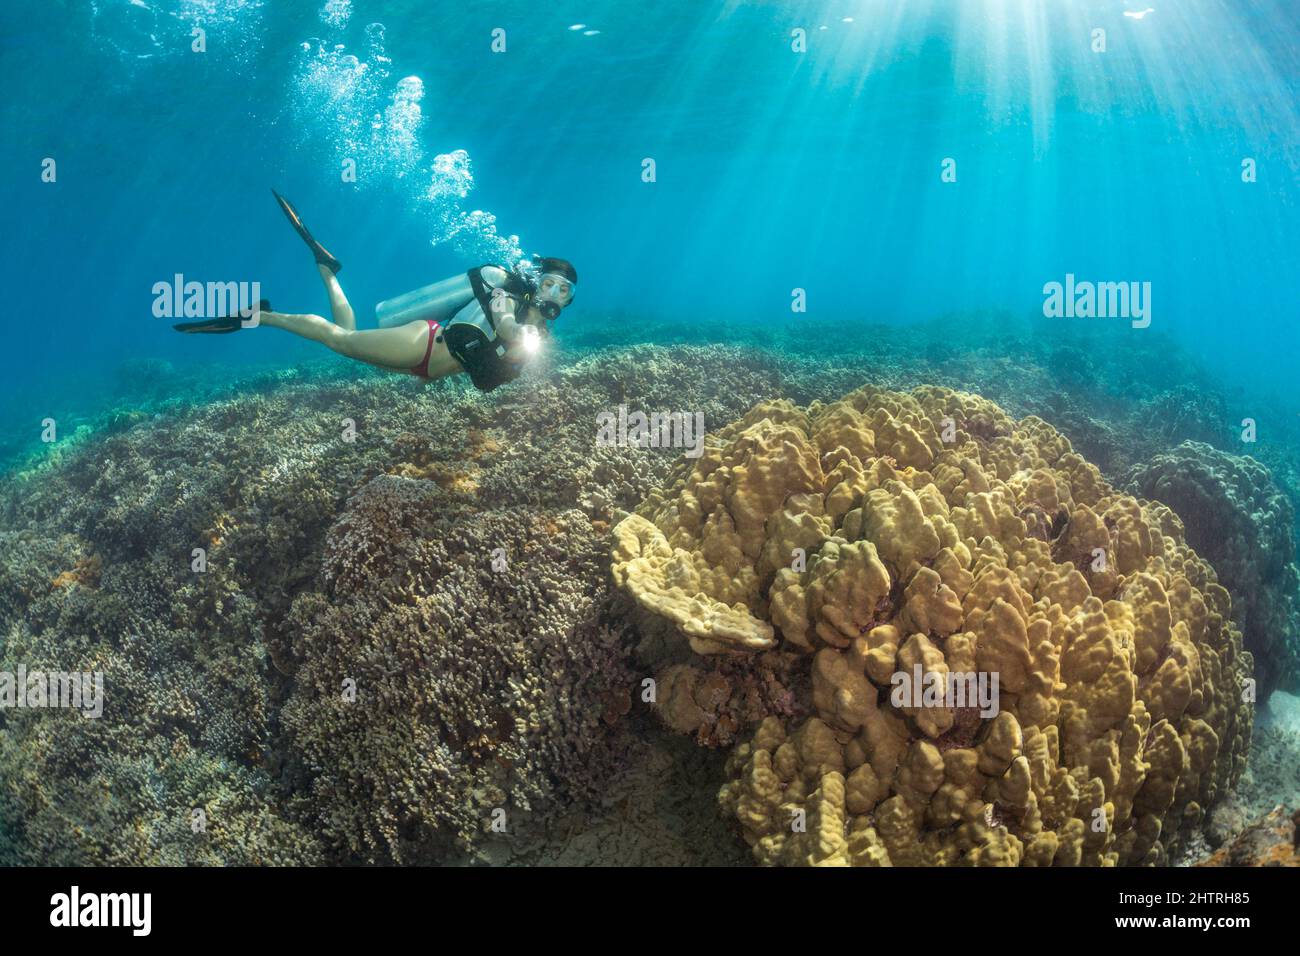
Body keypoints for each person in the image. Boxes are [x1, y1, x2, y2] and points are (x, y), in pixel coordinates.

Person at [174, 190, 577, 393]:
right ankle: (262, 315)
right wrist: (506, 319)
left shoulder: (540, 331)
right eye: (549, 283)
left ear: (569, 300)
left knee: (346, 335)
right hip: (424, 345)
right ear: (536, 282)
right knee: (339, 340)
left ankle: (327, 269)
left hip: (423, 368)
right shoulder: (510, 305)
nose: (554, 293)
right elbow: (507, 332)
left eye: (564, 290)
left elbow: (496, 371)